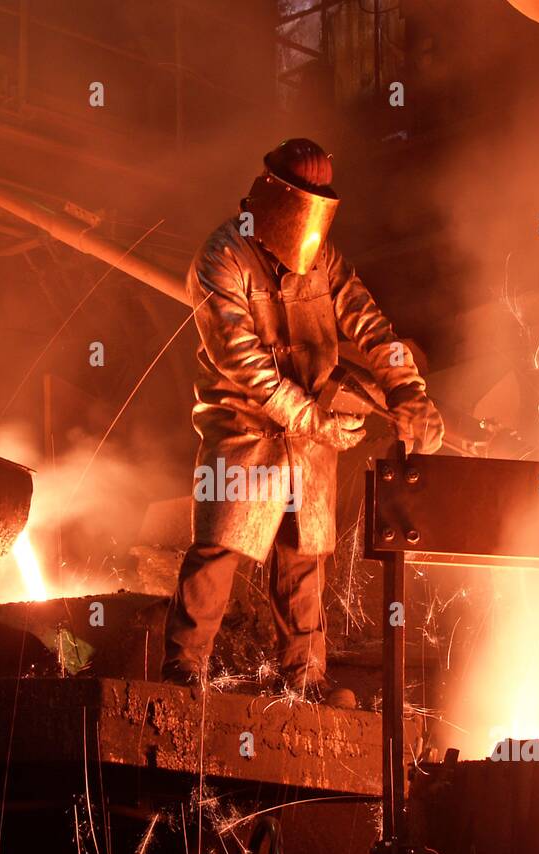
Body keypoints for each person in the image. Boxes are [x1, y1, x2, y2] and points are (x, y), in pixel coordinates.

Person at [161, 138, 444, 707]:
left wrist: (407, 389)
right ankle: (185, 673)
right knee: (221, 544)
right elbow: (241, 361)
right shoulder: (221, 257)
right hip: (242, 424)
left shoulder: (324, 260)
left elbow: (371, 326)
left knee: (304, 554)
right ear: (273, 198)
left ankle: (303, 680)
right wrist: (313, 418)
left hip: (311, 435)